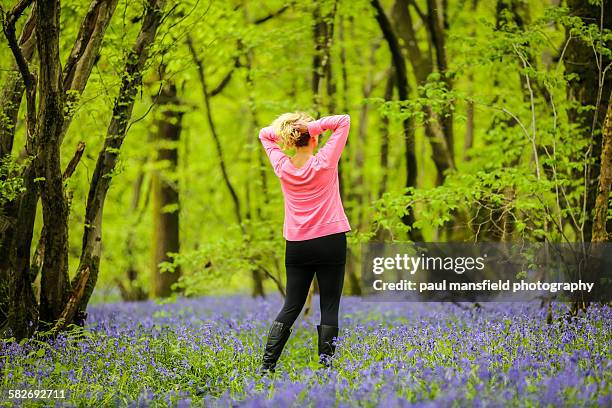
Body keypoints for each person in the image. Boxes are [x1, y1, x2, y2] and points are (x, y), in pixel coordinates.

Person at [257, 111, 351, 374]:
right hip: (331, 241)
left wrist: (293, 130)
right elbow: (343, 120)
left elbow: (264, 134)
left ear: (292, 140)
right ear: (313, 139)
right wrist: (310, 127)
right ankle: (326, 370)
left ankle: (266, 367)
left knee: (292, 305)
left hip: (298, 244)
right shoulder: (324, 162)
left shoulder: (283, 167)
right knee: (329, 305)